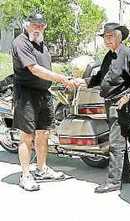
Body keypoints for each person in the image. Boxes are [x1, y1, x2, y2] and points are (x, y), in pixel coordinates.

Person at [77, 22, 130, 193]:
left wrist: (129, 95)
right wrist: (83, 82)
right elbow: (101, 77)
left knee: (116, 143)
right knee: (120, 140)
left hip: (121, 104)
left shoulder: (127, 54)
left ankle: (113, 181)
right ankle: (124, 176)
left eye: (109, 37)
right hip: (109, 102)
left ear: (119, 37)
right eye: (105, 37)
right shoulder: (109, 56)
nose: (106, 40)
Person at [11, 13, 78, 191]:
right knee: (27, 136)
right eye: (34, 25)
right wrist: (62, 79)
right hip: (26, 94)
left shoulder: (41, 44)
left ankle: (41, 169)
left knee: (44, 133)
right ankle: (25, 175)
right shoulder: (21, 42)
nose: (37, 28)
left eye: (41, 25)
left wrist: (62, 79)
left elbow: (46, 68)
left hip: (43, 93)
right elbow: (35, 69)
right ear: (27, 25)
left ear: (44, 27)